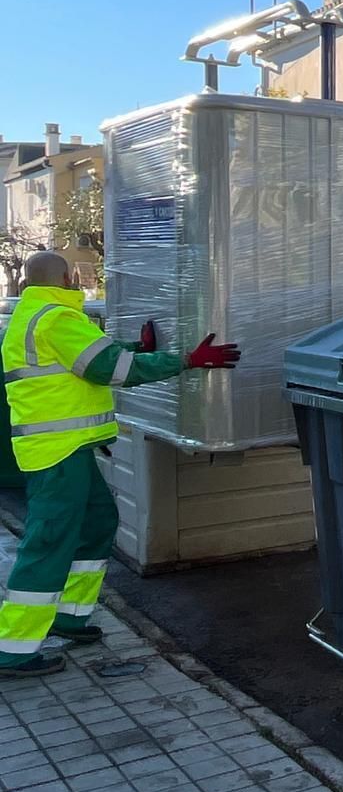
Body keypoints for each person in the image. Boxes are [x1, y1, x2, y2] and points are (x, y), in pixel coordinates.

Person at [0, 252, 240, 678]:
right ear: (67, 277)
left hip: (63, 449)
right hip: (57, 453)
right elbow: (108, 368)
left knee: (98, 523)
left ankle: (70, 616)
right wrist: (186, 360)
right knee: (49, 541)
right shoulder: (56, 318)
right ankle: (13, 649)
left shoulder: (35, 316)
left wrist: (137, 348)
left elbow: (87, 360)